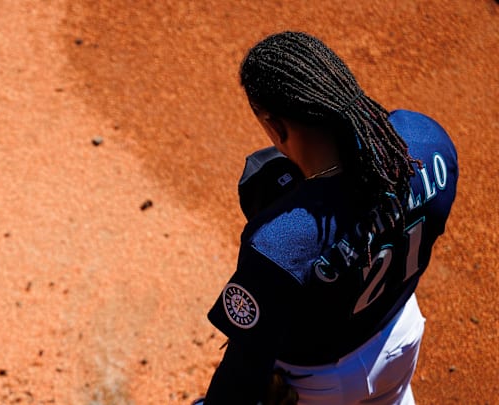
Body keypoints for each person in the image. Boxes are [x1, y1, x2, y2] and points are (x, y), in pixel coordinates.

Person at [195, 32, 459, 404]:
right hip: (400, 333)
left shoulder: (280, 240)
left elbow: (244, 365)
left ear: (276, 127)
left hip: (319, 381)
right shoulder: (426, 142)